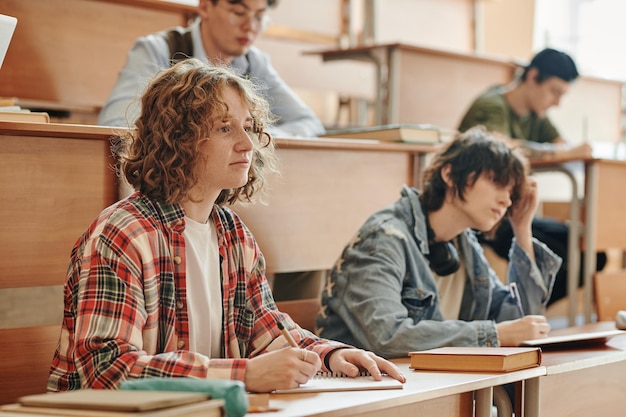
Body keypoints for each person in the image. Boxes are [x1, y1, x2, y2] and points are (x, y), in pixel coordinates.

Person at [48, 58, 405, 393]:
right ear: (179, 139)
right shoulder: (123, 233)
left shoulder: (233, 234)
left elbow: (266, 328)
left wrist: (329, 355)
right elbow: (108, 369)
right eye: (224, 127)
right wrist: (243, 375)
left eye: (248, 127)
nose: (247, 144)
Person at [317, 126, 561, 360]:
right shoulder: (382, 240)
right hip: (368, 390)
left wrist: (522, 228)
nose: (506, 199)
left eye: (511, 191)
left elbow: (521, 321)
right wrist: (494, 335)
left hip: (430, 386)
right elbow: (388, 337)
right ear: (450, 174)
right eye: (496, 182)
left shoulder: (464, 242)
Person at [457, 47, 605, 306]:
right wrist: (563, 150)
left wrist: (574, 149)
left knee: (592, 249)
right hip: (484, 216)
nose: (557, 102)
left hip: (513, 211)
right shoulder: (492, 105)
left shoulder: (537, 116)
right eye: (554, 91)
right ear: (533, 76)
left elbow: (563, 146)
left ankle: (529, 309)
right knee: (561, 253)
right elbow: (502, 149)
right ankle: (522, 310)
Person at [98, 0, 325, 139]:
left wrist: (258, 138)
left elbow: (308, 123)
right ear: (205, 6)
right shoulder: (158, 50)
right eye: (238, 12)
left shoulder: (255, 62)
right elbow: (116, 126)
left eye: (259, 17)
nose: (250, 26)